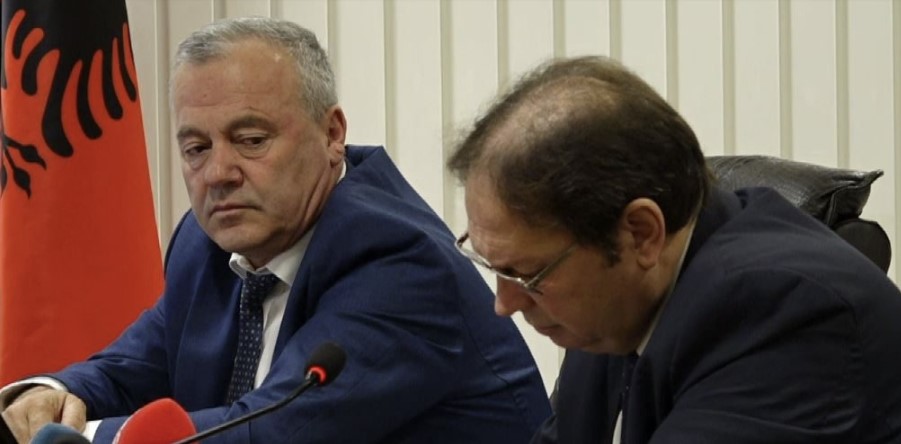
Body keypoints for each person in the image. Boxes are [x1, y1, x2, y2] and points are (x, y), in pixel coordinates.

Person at [0, 17, 551, 443]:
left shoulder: (400, 262)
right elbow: (135, 365)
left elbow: (267, 431)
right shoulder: (207, 242)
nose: (218, 173)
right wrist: (53, 395)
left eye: (251, 140)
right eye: (196, 148)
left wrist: (79, 438)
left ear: (332, 134)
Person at [446, 55, 901, 443]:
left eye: (527, 274)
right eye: (493, 267)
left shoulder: (788, 314)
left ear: (641, 234)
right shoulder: (615, 307)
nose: (504, 303)